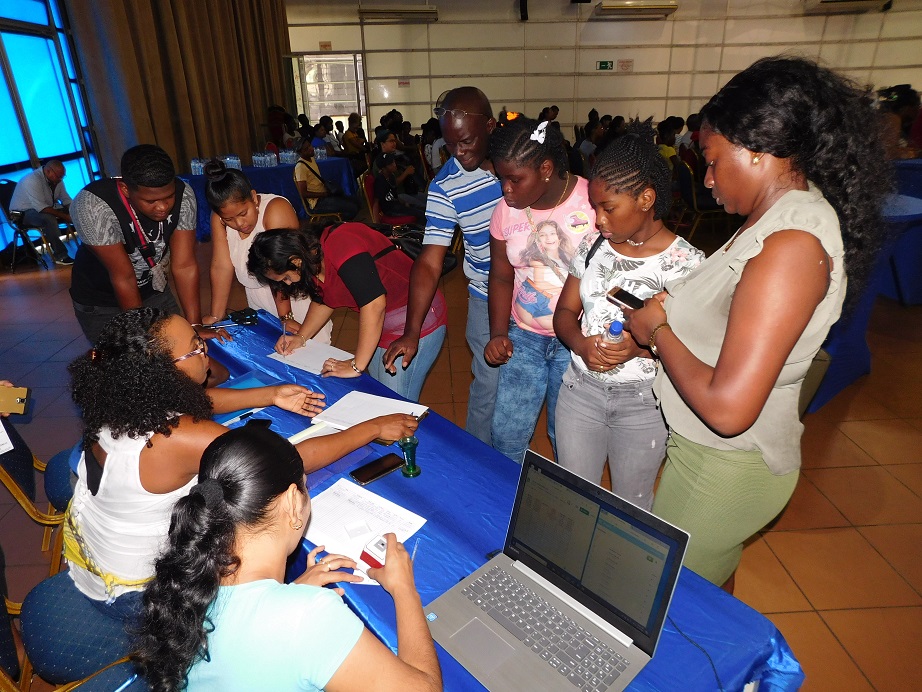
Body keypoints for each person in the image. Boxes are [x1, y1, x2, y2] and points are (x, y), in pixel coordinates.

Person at [624, 56, 891, 589]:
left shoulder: (790, 247)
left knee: (665, 600)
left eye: (713, 161)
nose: (707, 178)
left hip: (725, 465)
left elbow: (728, 409)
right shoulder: (772, 221)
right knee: (704, 591)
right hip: (706, 457)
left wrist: (656, 331)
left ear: (756, 150)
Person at [56, 308, 417, 676]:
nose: (205, 351)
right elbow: (284, 461)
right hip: (136, 595)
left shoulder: (123, 400)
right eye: (195, 348)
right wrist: (372, 428)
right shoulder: (177, 437)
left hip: (90, 559)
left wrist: (270, 394)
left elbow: (194, 400)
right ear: (161, 374)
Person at [133, 425, 442, 691]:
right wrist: (404, 589)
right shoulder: (309, 617)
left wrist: (291, 593)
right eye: (305, 487)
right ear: (294, 502)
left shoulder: (187, 581)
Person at [553, 119, 703, 510]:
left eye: (608, 208)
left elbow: (692, 347)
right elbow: (565, 312)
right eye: (595, 208)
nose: (598, 219)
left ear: (646, 199)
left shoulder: (686, 264)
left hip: (644, 402)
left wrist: (637, 349)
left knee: (631, 505)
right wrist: (581, 345)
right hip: (580, 393)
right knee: (574, 497)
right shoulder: (593, 245)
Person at [383, 87, 503, 444]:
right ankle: (479, 459)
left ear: (490, 127)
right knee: (489, 387)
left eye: (466, 142)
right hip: (486, 295)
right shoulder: (445, 185)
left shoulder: (518, 163)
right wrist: (412, 331)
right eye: (450, 144)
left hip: (537, 296)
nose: (458, 153)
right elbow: (430, 261)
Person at [485, 118, 594, 463]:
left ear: (546, 169)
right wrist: (498, 333)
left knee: (567, 436)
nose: (506, 189)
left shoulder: (592, 202)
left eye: (515, 179)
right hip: (523, 338)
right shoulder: (505, 211)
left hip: (576, 340)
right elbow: (501, 276)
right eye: (501, 178)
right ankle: (506, 493)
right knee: (507, 434)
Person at [249, 226, 447, 402]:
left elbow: (374, 304)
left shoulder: (341, 242)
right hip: (383, 324)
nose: (288, 283)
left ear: (295, 260)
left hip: (414, 319)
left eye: (285, 276)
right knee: (380, 393)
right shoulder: (313, 261)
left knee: (396, 404)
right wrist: (301, 337)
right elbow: (325, 299)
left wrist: (356, 365)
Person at [69, 145, 203, 343]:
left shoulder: (184, 194)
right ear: (126, 189)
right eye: (151, 201)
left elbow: (184, 265)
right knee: (128, 358)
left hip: (154, 290)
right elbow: (124, 277)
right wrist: (141, 337)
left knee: (180, 348)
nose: (162, 207)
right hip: (102, 303)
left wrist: (195, 326)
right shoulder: (93, 205)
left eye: (169, 197)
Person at [202, 161, 332, 344]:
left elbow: (283, 266)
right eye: (229, 219)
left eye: (243, 213)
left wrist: (285, 316)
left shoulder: (275, 209)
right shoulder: (220, 217)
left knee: (310, 350)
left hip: (291, 295)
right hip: (259, 301)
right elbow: (221, 267)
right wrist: (216, 316)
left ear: (254, 198)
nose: (239, 223)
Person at [9, 160, 74, 265]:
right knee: (48, 219)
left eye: (62, 177)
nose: (60, 179)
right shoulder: (32, 180)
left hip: (44, 207)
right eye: (58, 176)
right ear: (48, 171)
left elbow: (65, 199)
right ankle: (61, 255)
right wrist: (65, 216)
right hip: (22, 213)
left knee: (76, 211)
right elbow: (42, 208)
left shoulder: (57, 180)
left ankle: (90, 245)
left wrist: (73, 210)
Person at [293, 138, 359, 220]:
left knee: (356, 201)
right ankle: (338, 223)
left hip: (324, 195)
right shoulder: (300, 167)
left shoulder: (311, 158)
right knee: (352, 208)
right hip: (317, 202)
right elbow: (303, 193)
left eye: (309, 146)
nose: (311, 149)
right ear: (300, 153)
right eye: (306, 149)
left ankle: (341, 221)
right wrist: (324, 194)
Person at [374, 153, 426, 223]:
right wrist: (377, 223)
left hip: (398, 205)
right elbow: (376, 202)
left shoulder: (391, 176)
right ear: (383, 169)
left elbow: (395, 195)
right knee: (421, 214)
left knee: (423, 208)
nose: (394, 164)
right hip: (391, 211)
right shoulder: (380, 181)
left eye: (393, 161)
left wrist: (405, 203)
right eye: (391, 164)